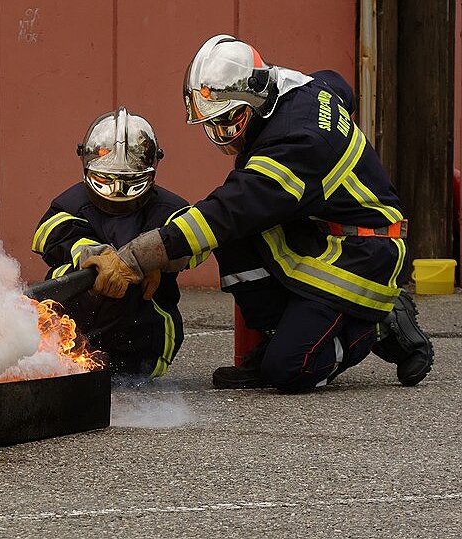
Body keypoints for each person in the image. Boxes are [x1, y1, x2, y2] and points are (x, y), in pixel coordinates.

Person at [85, 35, 434, 392]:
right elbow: (338, 85)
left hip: (364, 254)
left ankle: (379, 322)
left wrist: (137, 258)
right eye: (212, 125)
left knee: (289, 370)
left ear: (254, 99)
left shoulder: (298, 143)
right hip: (323, 233)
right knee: (233, 238)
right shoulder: (298, 90)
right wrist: (167, 259)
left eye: (229, 121)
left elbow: (227, 212)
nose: (222, 135)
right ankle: (279, 338)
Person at [32, 107, 202, 378]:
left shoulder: (171, 209)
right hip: (80, 326)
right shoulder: (70, 203)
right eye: (105, 180)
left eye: (130, 181)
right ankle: (66, 354)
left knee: (133, 286)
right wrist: (93, 256)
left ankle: (131, 369)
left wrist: (153, 261)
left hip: (145, 339)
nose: (117, 191)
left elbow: (195, 247)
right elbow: (47, 235)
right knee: (63, 275)